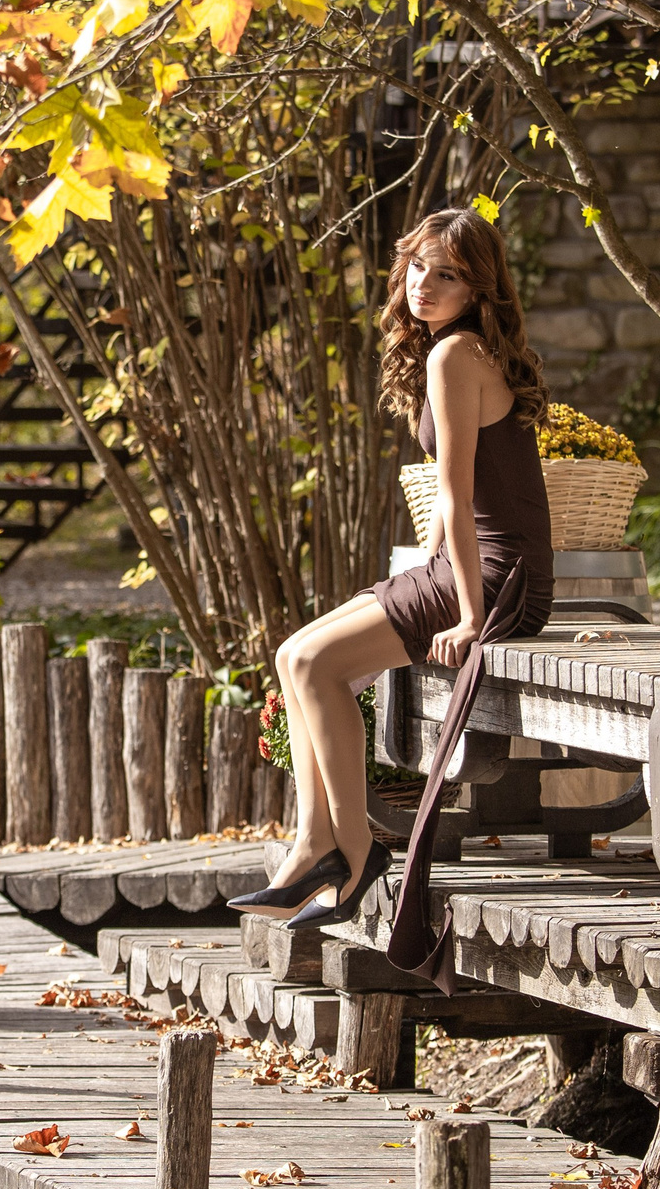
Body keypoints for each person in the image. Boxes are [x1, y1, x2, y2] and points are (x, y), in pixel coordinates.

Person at [230, 208, 554, 940]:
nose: (425, 284)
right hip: (477, 565)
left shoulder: (453, 357)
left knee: (314, 664)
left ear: (478, 288)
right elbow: (450, 499)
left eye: (447, 274)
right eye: (418, 267)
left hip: (499, 580)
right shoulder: (458, 350)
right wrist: (415, 575)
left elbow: (458, 493)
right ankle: (316, 844)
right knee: (292, 655)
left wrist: (469, 616)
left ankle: (353, 851)